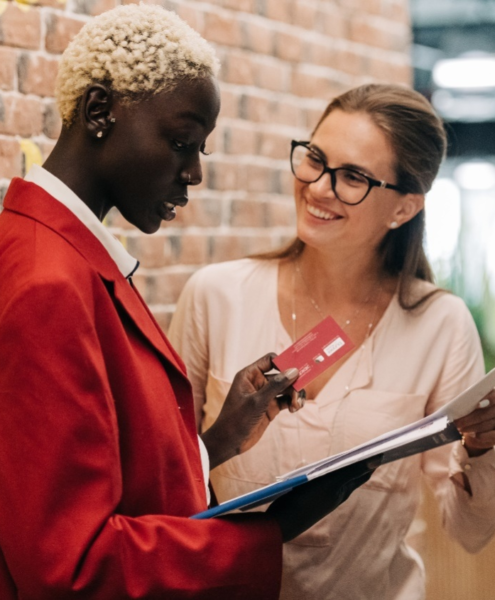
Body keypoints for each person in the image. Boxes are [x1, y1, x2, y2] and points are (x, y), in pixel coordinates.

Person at [0, 5, 374, 599]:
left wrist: (220, 439)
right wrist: (274, 530)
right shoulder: (49, 281)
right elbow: (70, 568)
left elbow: (117, 481)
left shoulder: (68, 256)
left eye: (200, 148)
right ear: (100, 112)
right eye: (180, 143)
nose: (194, 174)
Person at [169, 83, 495, 600]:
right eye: (315, 159)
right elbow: (163, 478)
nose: (319, 187)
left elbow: (469, 530)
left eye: (352, 178)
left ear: (403, 210)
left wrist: (482, 443)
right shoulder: (218, 296)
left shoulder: (439, 323)